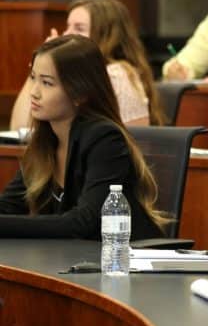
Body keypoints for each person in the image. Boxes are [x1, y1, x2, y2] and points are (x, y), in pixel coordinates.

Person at [0, 36, 167, 241]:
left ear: (80, 93)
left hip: (126, 261)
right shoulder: (46, 139)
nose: (34, 92)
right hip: (73, 261)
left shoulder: (104, 139)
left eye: (47, 83)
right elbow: (9, 205)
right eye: (33, 78)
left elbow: (83, 223)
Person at [11, 0, 164, 129]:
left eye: (79, 28)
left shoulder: (115, 74)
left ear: (107, 36)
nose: (66, 35)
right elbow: (19, 128)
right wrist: (40, 66)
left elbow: (26, 128)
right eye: (67, 26)